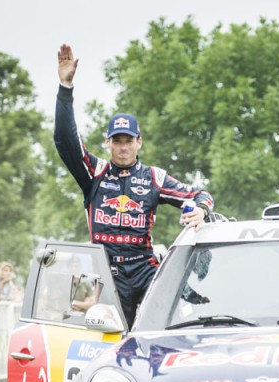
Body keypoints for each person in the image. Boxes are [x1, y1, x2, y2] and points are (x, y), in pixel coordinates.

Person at [54, 44, 215, 327]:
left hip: (144, 268)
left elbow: (201, 194)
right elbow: (65, 141)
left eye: (128, 140)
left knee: (176, 318)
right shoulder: (96, 172)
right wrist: (65, 88)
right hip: (105, 271)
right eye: (117, 141)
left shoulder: (154, 177)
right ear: (108, 143)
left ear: (139, 142)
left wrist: (201, 209)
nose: (123, 147)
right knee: (101, 332)